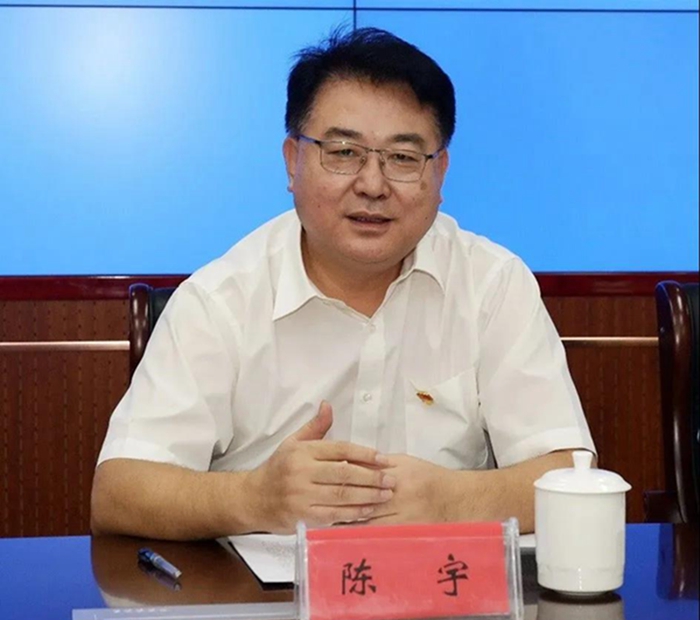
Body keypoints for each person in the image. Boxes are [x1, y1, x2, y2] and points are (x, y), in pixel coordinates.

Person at [91, 27, 595, 540]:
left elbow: (569, 474)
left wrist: (448, 501)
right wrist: (254, 499)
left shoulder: (492, 285)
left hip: (441, 586)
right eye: (344, 152)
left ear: (440, 173)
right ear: (293, 162)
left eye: (403, 158)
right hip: (262, 591)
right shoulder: (221, 299)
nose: (372, 185)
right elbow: (119, 491)